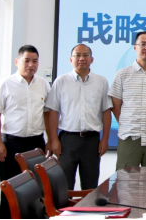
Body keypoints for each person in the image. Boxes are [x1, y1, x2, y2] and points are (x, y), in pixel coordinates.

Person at [0, 45, 51, 219]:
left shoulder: (43, 84)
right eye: (26, 60)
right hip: (11, 144)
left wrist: (50, 139)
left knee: (35, 190)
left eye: (35, 61)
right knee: (10, 190)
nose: (31, 64)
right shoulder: (6, 84)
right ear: (17, 61)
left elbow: (47, 113)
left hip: (36, 144)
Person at [46, 44, 112, 190]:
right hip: (67, 140)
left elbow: (106, 111)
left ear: (92, 59)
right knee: (64, 186)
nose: (82, 58)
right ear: (71, 59)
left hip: (92, 141)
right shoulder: (61, 81)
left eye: (85, 55)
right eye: (77, 55)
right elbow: (53, 112)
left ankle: (88, 206)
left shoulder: (101, 82)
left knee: (90, 186)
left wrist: (105, 139)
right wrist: (54, 139)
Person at [109, 31, 146, 170]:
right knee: (125, 180)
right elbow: (115, 105)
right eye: (143, 44)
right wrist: (127, 122)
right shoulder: (122, 74)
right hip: (129, 137)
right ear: (135, 47)